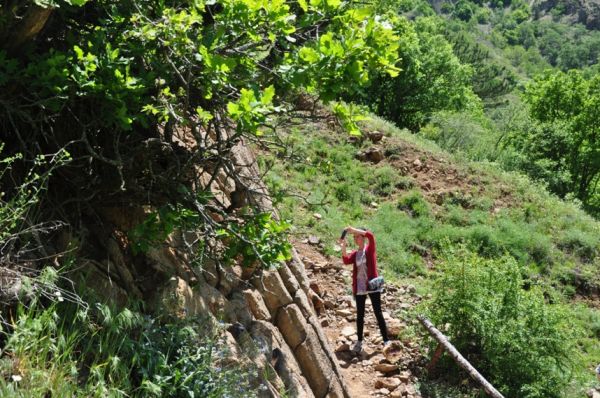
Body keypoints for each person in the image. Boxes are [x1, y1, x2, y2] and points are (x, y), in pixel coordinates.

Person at [339, 226, 389, 352]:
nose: (355, 239)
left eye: (357, 236)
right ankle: (360, 341)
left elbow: (371, 235)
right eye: (354, 237)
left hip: (372, 285)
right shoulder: (356, 254)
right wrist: (343, 246)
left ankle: (386, 341)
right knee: (360, 315)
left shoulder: (369, 249)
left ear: (362, 237)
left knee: (378, 312)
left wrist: (353, 229)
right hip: (360, 286)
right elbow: (345, 260)